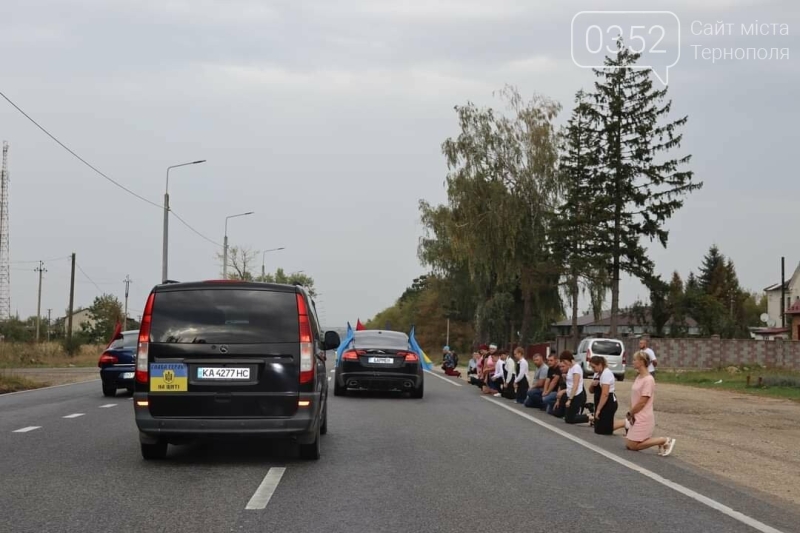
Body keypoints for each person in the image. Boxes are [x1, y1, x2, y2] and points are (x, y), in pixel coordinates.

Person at [614, 351, 676, 456]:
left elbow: (642, 402)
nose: (632, 362)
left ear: (642, 362)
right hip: (636, 414)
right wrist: (631, 413)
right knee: (629, 445)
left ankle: (664, 440)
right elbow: (634, 397)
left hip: (643, 416)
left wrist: (631, 413)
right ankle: (661, 442)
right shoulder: (638, 377)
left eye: (635, 360)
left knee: (633, 446)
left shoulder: (648, 380)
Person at [587, 355, 618, 435]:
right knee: (598, 429)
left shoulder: (606, 374)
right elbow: (591, 391)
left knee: (604, 431)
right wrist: (592, 384)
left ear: (600, 364)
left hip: (608, 402)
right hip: (599, 401)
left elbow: (605, 394)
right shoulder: (597, 374)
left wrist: (598, 410)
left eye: (594, 367)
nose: (593, 369)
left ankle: (625, 423)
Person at [560, 351, 589, 425]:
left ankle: (589, 417)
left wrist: (570, 399)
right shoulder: (571, 368)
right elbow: (570, 381)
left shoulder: (576, 368)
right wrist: (565, 377)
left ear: (569, 359)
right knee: (567, 417)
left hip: (576, 395)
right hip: (570, 394)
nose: (564, 363)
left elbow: (575, 384)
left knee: (570, 419)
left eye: (565, 361)